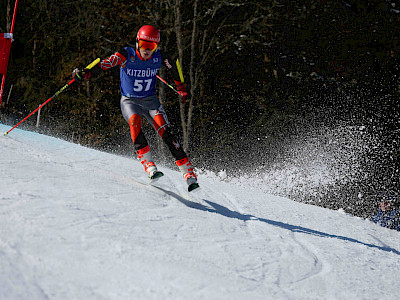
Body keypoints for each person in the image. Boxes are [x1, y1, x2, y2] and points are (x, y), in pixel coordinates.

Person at [73, 25, 199, 192]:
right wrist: (86, 72)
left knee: (165, 132)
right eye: (144, 45)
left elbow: (174, 65)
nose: (147, 50)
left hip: (151, 101)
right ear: (137, 43)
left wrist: (181, 87)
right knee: (134, 121)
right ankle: (149, 165)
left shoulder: (159, 57)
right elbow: (104, 64)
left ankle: (189, 174)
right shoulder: (126, 55)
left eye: (152, 47)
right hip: (129, 101)